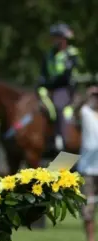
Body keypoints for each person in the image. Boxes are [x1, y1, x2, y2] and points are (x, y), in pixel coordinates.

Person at [37, 23, 84, 151]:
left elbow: (66, 75)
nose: (54, 40)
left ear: (64, 39)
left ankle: (61, 139)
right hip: (50, 87)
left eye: (56, 37)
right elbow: (43, 72)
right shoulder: (49, 55)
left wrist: (50, 84)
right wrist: (42, 83)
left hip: (65, 88)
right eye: (53, 37)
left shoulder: (71, 53)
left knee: (59, 106)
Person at [77, 85, 98, 241]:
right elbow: (75, 107)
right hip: (88, 170)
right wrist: (86, 95)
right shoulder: (85, 112)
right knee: (88, 209)